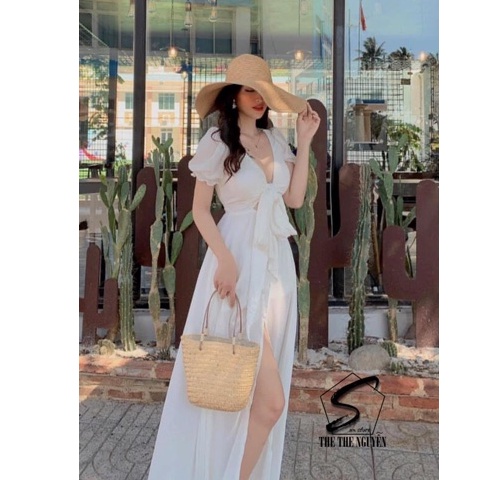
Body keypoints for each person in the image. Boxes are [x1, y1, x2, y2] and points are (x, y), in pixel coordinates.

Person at [147, 54, 320, 480]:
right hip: (237, 260)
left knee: (259, 395)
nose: (258, 98)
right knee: (266, 398)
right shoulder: (217, 142)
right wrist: (224, 259)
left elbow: (295, 199)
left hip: (275, 264)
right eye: (249, 90)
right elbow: (200, 211)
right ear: (232, 97)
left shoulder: (276, 141)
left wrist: (305, 141)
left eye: (264, 91)